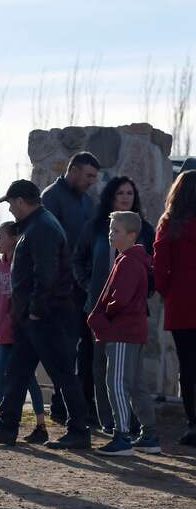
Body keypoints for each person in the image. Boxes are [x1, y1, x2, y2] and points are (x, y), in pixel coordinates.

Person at [0, 180, 91, 449]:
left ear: (22, 201)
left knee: (61, 374)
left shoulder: (42, 228)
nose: (10, 209)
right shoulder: (37, 226)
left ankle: (79, 431)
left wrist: (36, 310)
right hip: (33, 317)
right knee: (16, 372)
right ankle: (7, 426)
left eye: (11, 203)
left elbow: (45, 274)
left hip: (46, 317)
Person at [73, 176, 155, 432]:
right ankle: (107, 422)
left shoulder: (144, 234)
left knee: (125, 377)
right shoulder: (96, 228)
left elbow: (151, 268)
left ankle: (127, 429)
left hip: (122, 317)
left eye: (130, 192)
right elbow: (78, 259)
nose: (125, 196)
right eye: (120, 192)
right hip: (97, 306)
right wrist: (89, 287)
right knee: (100, 369)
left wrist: (140, 294)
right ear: (111, 196)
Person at [87, 211, 159, 456]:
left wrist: (104, 317)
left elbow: (120, 300)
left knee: (117, 383)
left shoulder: (128, 262)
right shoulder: (130, 259)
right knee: (137, 384)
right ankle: (149, 435)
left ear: (131, 235)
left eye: (116, 231)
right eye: (110, 230)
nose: (110, 235)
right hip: (132, 331)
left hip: (122, 332)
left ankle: (122, 436)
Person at [41, 151, 100, 424]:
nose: (91, 181)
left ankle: (81, 405)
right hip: (61, 290)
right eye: (88, 175)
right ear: (73, 170)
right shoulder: (51, 198)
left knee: (84, 350)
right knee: (63, 350)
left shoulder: (87, 202)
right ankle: (60, 405)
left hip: (83, 289)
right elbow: (49, 246)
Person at [0, 221, 47, 444]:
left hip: (20, 332)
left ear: (13, 238)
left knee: (28, 378)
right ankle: (7, 420)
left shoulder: (22, 263)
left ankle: (40, 425)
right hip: (1, 331)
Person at [153, 170, 196, 446]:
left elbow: (159, 265)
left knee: (188, 366)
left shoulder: (170, 224)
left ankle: (193, 423)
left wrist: (167, 291)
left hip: (182, 304)